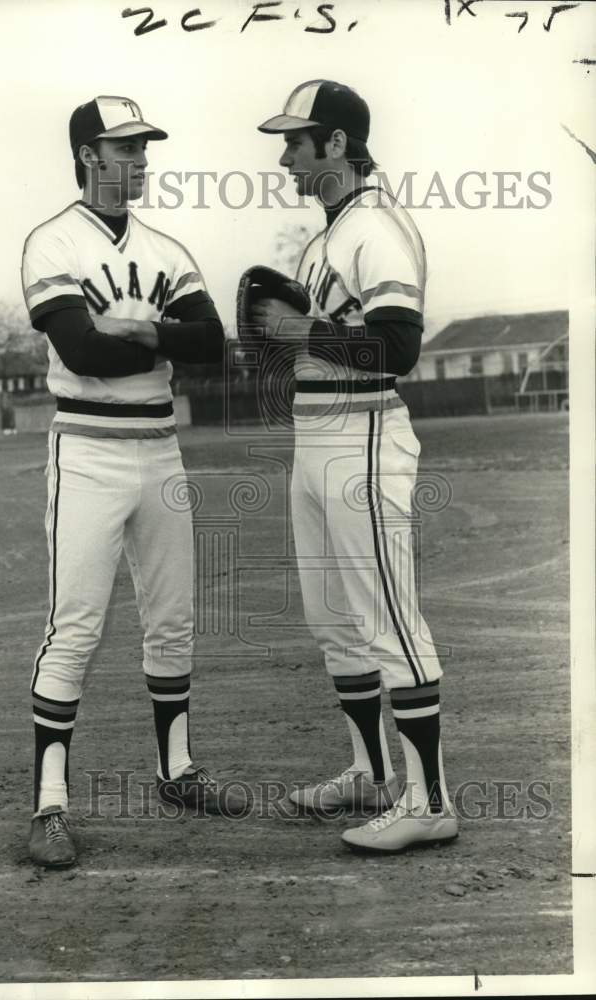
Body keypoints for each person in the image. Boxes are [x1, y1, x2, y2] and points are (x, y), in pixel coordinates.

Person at [21, 95, 243, 867]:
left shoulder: (167, 248)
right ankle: (50, 804)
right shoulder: (51, 242)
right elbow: (81, 351)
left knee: (174, 619)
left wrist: (139, 329)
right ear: (88, 155)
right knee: (75, 626)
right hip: (85, 448)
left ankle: (176, 770)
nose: (141, 159)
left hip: (160, 449)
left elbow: (211, 343)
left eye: (144, 146)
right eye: (125, 148)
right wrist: (159, 337)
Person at [251, 80, 458, 851]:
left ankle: (430, 802)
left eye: (296, 141)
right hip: (317, 438)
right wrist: (282, 342)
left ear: (336, 144)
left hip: (365, 435)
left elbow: (398, 348)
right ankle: (371, 773)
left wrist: (300, 330)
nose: (284, 156)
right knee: (333, 620)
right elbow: (313, 341)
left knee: (388, 623)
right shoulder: (321, 239)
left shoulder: (377, 228)